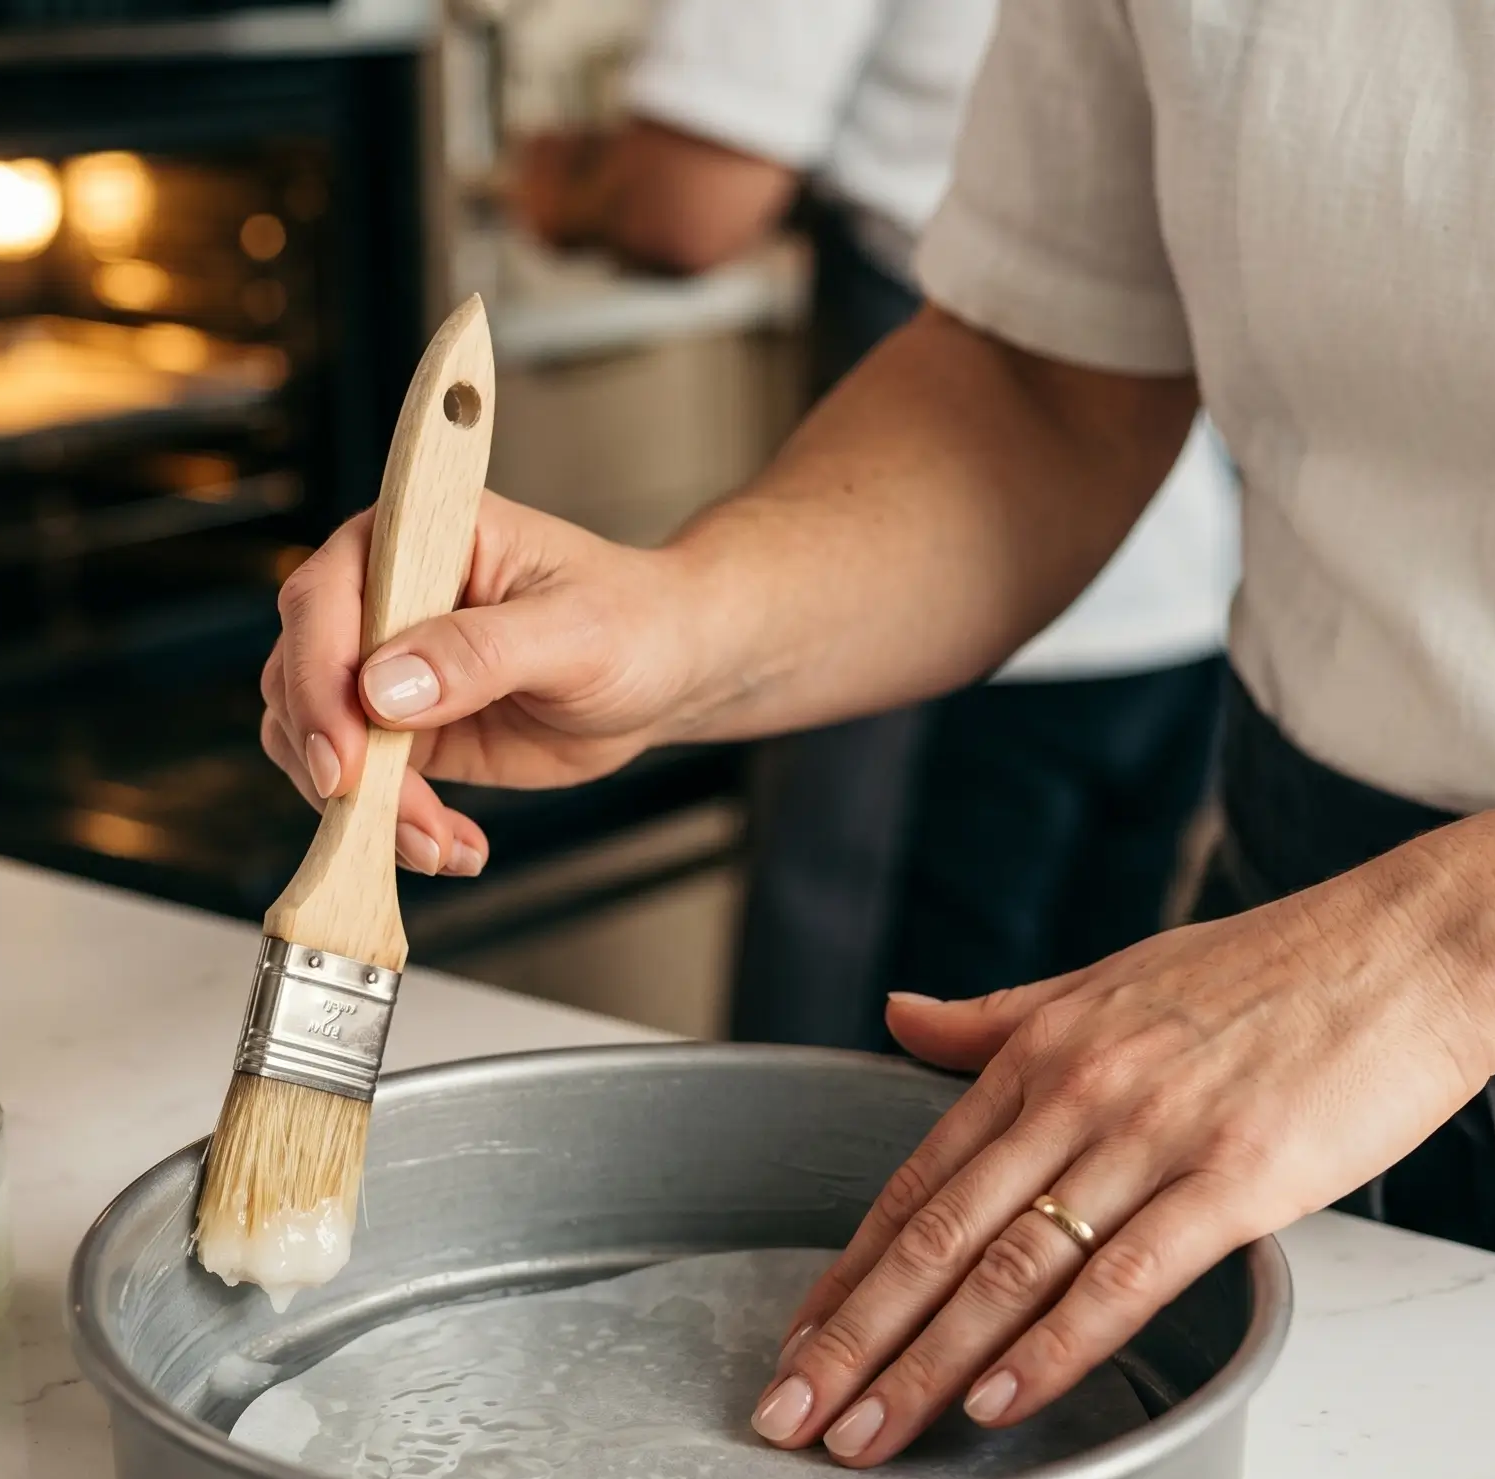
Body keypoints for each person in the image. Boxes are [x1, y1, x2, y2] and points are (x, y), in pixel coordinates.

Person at [263, 0, 1495, 1474]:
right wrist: (685, 628)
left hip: (1375, 983)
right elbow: (1050, 377)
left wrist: (1450, 949)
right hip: (1281, 999)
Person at [509, 0, 1240, 1049]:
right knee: (1046, 1080)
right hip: (1180, 602)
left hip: (960, 634)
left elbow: (688, 207)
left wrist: (553, 185)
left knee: (862, 1084)